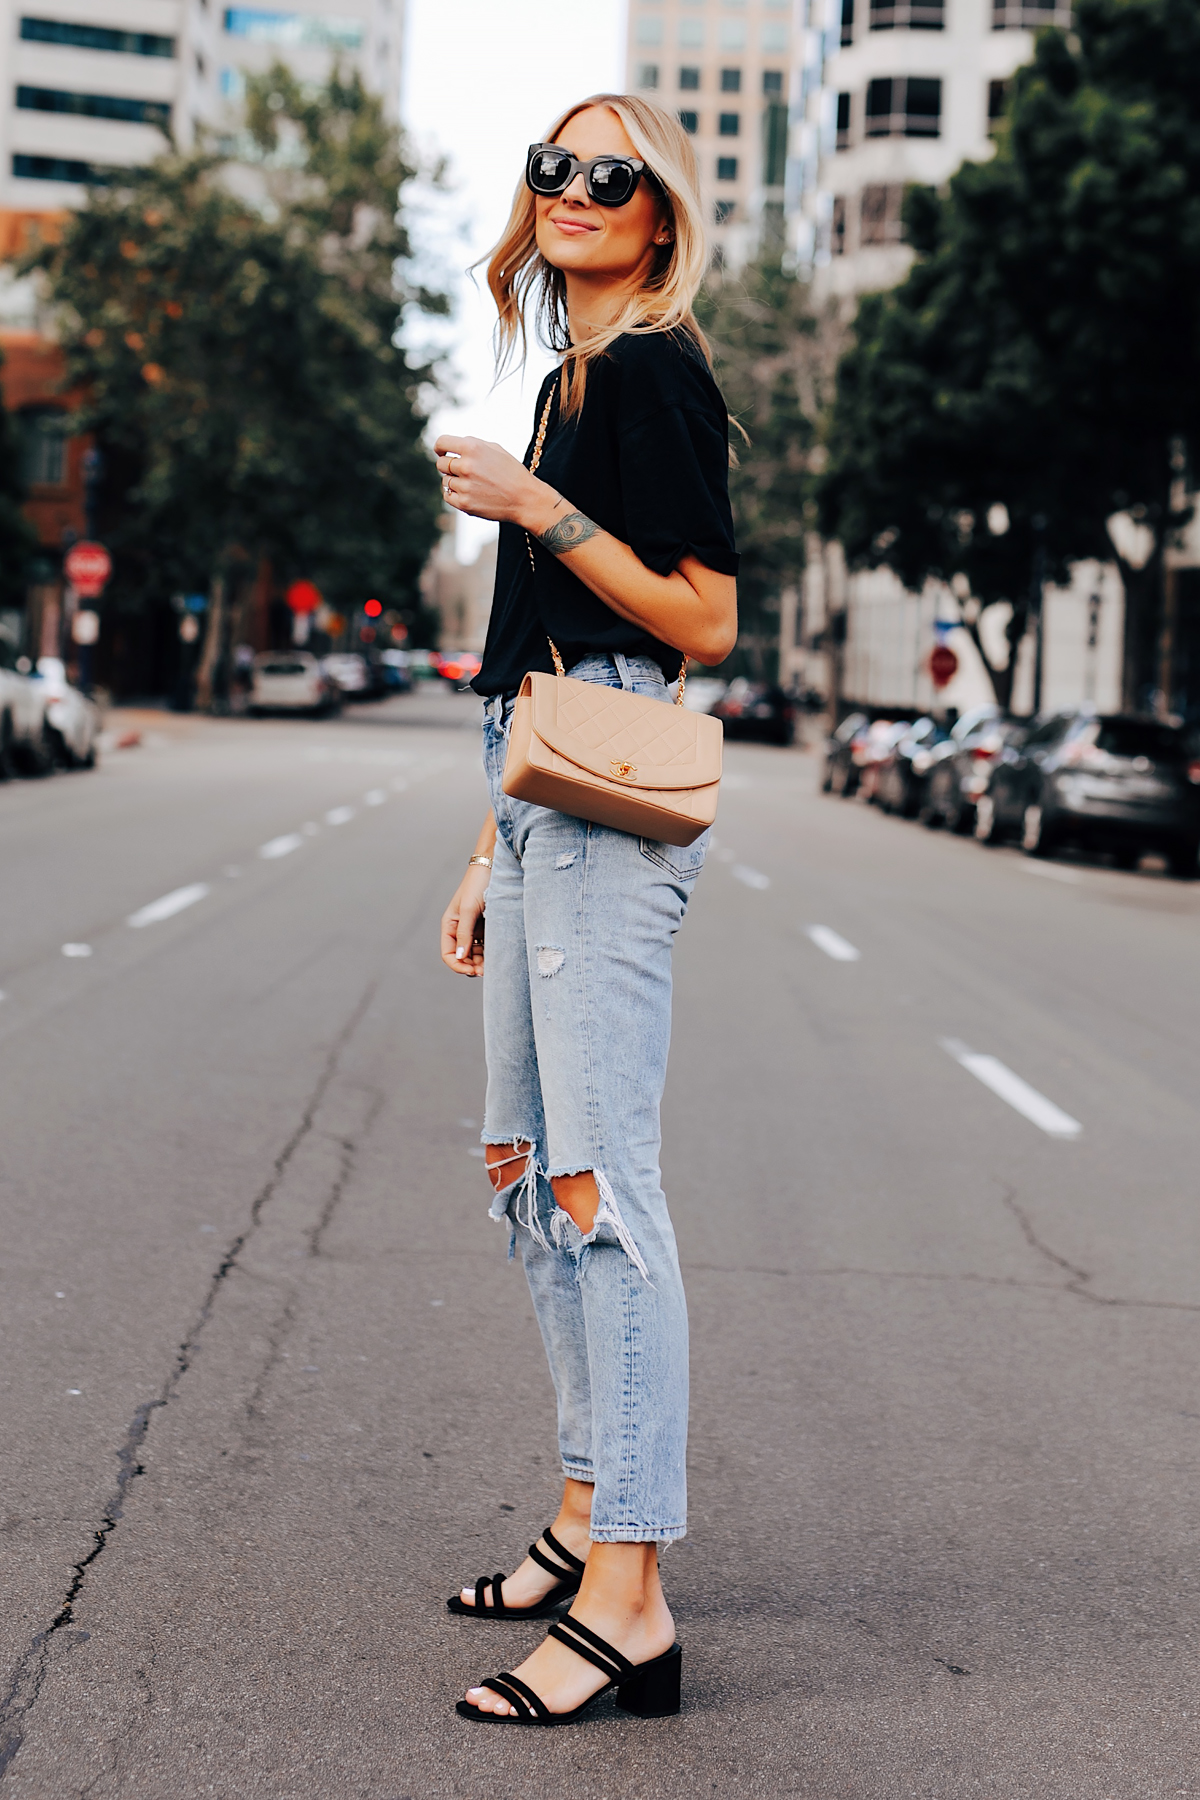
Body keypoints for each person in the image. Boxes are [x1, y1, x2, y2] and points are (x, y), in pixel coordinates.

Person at [435, 92, 738, 1726]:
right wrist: (489, 850)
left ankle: (633, 1590)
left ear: (661, 217)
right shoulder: (565, 383)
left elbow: (705, 613)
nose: (574, 190)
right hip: (540, 787)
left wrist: (537, 507)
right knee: (519, 1174)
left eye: (611, 174)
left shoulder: (648, 372)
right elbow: (525, 665)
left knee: (599, 1183)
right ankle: (579, 1506)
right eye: (554, 166)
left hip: (612, 789)